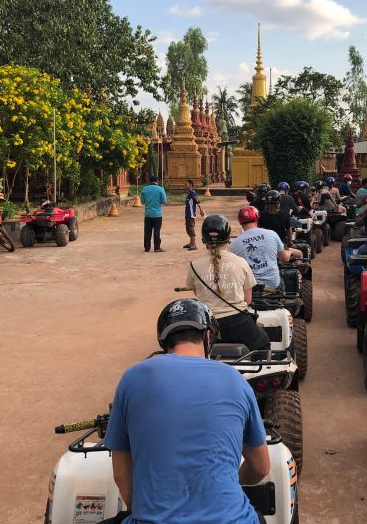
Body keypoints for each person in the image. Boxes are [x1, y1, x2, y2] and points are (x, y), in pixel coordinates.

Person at [102, 298, 270, 524]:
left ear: (164, 341)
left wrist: (140, 510)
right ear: (208, 336)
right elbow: (260, 468)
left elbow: (120, 472)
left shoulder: (132, 377)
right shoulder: (235, 379)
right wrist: (231, 481)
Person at [187, 215, 270, 351]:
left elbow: (198, 294)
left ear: (204, 240)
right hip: (239, 324)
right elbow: (247, 300)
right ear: (228, 239)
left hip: (207, 326)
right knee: (264, 344)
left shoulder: (193, 265)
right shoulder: (241, 263)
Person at [230, 206, 302, 292]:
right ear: (257, 219)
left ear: (240, 221)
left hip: (249, 289)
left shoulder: (234, 244)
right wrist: (289, 251)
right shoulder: (271, 234)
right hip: (273, 285)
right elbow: (285, 259)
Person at [140, 175, 167, 252]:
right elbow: (164, 201)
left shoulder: (144, 189)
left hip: (148, 214)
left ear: (150, 181)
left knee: (147, 231)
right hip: (157, 214)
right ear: (157, 181)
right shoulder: (160, 189)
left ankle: (147, 248)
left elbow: (142, 201)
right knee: (157, 231)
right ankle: (157, 247)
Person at [183, 179, 205, 251]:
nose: (185, 186)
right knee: (188, 228)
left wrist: (201, 210)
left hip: (191, 214)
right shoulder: (189, 193)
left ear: (191, 185)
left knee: (190, 229)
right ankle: (191, 243)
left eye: (186, 184)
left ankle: (194, 245)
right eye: (185, 184)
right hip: (188, 214)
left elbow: (197, 201)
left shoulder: (192, 193)